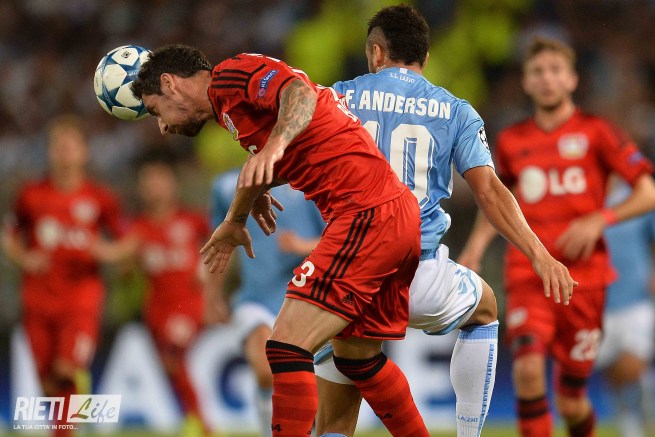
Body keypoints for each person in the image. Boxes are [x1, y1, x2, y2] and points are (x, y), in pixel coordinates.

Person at [130, 44, 434, 436]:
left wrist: (274, 147)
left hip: (365, 214)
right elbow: (289, 151)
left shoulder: (230, 75)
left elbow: (300, 95)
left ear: (170, 84)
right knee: (359, 360)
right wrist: (238, 214)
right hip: (393, 215)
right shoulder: (230, 111)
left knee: (285, 346)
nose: (162, 126)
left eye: (155, 111)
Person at [312, 6, 576, 437]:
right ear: (426, 57)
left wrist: (246, 205)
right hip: (418, 275)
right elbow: (490, 191)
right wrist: (539, 254)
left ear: (376, 52)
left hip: (347, 274)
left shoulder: (339, 97)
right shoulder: (454, 110)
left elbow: (288, 147)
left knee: (335, 418)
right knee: (485, 309)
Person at [457, 37, 655, 437]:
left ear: (572, 79)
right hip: (530, 275)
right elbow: (497, 202)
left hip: (586, 281)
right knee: (528, 370)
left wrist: (600, 219)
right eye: (538, 72)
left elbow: (647, 192)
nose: (547, 79)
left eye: (555, 70)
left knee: (571, 402)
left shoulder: (598, 132)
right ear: (526, 82)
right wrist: (475, 248)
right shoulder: (512, 141)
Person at [1, 114, 124, 437]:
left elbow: (127, 242)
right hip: (38, 299)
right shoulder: (30, 195)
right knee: (47, 381)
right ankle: (67, 426)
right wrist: (25, 258)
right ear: (49, 152)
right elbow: (9, 236)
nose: (64, 152)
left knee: (67, 368)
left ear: (84, 152)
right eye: (58, 146)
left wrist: (105, 252)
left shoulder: (100, 198)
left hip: (81, 299)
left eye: (71, 146)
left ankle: (70, 422)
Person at [93, 151, 213, 436]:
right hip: (157, 308)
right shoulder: (137, 227)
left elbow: (222, 249)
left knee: (173, 354)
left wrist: (209, 278)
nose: (154, 186)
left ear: (172, 184)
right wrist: (114, 258)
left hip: (188, 303)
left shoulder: (192, 220)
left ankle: (202, 425)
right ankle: (193, 418)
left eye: (159, 180)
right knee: (170, 365)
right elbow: (123, 266)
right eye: (147, 181)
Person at [207, 168, 324, 436]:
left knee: (307, 386)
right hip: (255, 299)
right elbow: (220, 243)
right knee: (264, 369)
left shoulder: (309, 179)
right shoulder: (225, 186)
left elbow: (340, 237)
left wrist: (301, 245)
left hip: (304, 301)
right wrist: (211, 295)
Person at [595, 176, 655, 437]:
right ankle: (629, 423)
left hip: (636, 296)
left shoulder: (637, 194)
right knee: (612, 370)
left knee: (632, 363)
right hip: (598, 301)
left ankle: (644, 404)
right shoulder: (584, 197)